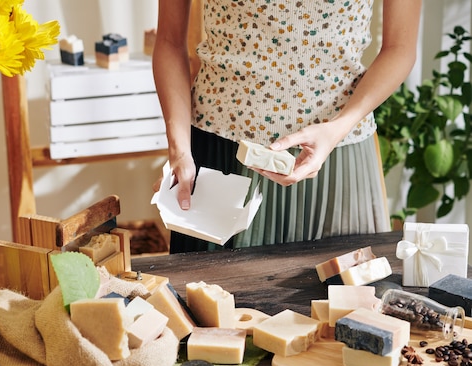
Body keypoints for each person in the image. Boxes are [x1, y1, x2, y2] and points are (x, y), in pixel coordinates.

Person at [152, 0, 422, 253]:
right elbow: (169, 41)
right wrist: (179, 149)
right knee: (207, 299)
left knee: (345, 297)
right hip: (220, 154)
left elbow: (400, 47)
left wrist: (338, 128)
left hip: (336, 154)